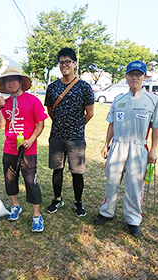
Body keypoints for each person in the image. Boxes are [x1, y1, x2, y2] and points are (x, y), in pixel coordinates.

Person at [93, 60, 158, 237]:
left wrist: (154, 150)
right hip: (117, 145)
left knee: (134, 185)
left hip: (138, 147)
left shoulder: (154, 100)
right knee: (112, 181)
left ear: (144, 77)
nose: (134, 78)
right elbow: (111, 124)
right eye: (131, 74)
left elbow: (156, 127)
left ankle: (133, 219)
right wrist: (106, 145)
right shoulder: (118, 99)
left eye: (138, 74)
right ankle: (106, 212)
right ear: (126, 76)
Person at [0, 67, 48, 232]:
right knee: (10, 179)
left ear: (20, 81)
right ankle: (16, 206)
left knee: (31, 182)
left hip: (28, 150)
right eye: (7, 80)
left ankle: (37, 216)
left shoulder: (33, 100)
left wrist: (31, 140)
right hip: (10, 148)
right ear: (4, 84)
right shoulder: (5, 103)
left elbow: (41, 123)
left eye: (14, 79)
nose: (11, 83)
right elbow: (1, 124)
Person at [44, 47, 94, 217]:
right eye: (61, 62)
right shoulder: (52, 87)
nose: (64, 65)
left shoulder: (84, 87)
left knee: (77, 172)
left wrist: (77, 126)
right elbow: (50, 110)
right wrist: (60, 124)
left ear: (75, 63)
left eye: (67, 62)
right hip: (57, 135)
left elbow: (90, 113)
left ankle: (78, 203)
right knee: (57, 170)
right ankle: (57, 199)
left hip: (76, 138)